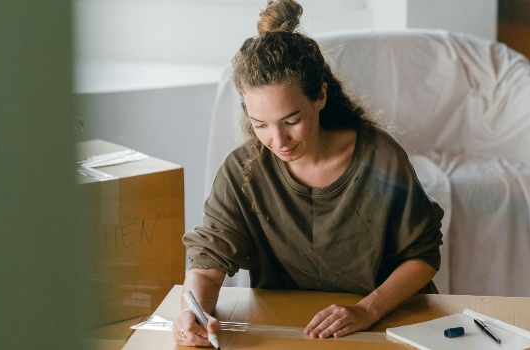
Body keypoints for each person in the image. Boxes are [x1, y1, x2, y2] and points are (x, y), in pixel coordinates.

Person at [173, 0, 444, 347]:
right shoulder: (243, 170)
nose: (278, 141)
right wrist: (193, 313)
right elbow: (208, 263)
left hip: (384, 321)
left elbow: (423, 255)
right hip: (291, 327)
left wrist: (366, 311)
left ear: (320, 96)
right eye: (261, 126)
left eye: (292, 121)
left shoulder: (380, 159)